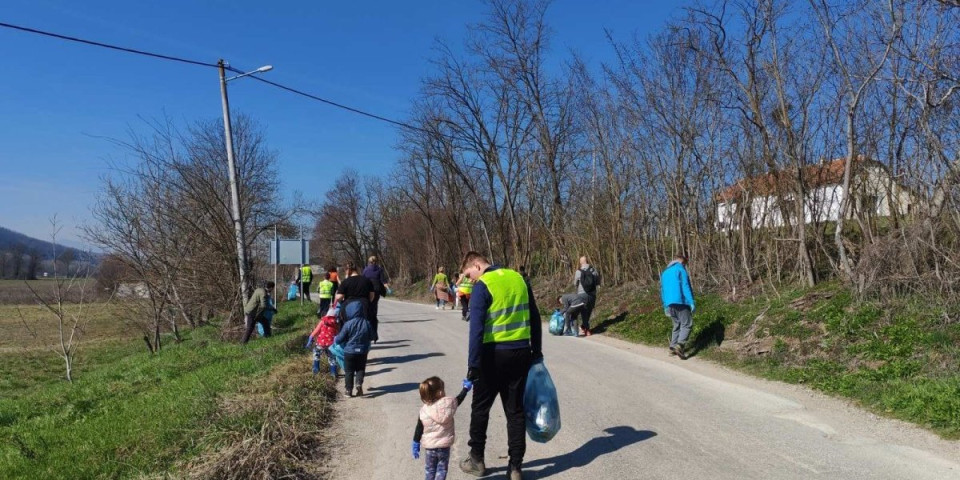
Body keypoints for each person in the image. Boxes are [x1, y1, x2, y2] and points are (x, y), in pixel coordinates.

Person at [458, 251, 543, 480]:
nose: (470, 280)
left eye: (469, 275)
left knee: (480, 408)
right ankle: (515, 468)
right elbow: (534, 317)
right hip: (521, 352)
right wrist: (537, 350)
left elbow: (476, 329)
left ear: (477, 265)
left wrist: (473, 365)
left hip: (492, 354)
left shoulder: (483, 285)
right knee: (515, 412)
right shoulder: (519, 278)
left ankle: (476, 460)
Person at [412, 376, 473, 480]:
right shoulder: (449, 404)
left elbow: (419, 428)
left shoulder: (424, 411)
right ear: (440, 392)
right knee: (442, 470)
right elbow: (459, 399)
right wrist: (465, 388)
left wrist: (415, 442)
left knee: (430, 470)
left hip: (430, 448)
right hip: (444, 447)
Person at [334, 267, 374, 396]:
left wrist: (336, 340)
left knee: (349, 370)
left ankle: (348, 389)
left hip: (349, 350)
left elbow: (339, 297)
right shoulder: (366, 280)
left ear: (348, 272)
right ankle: (359, 384)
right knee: (361, 367)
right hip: (362, 348)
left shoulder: (346, 282)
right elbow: (372, 296)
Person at [661, 254, 695, 360]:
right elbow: (685, 286)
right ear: (683, 262)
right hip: (681, 301)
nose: (685, 266)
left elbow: (662, 290)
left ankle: (672, 347)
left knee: (676, 324)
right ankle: (679, 346)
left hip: (669, 303)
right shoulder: (680, 270)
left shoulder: (665, 273)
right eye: (685, 264)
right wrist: (691, 301)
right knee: (687, 324)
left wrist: (665, 304)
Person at [362, 255, 391, 341]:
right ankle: (374, 334)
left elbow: (362, 280)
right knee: (374, 310)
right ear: (376, 261)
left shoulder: (365, 270)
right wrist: (388, 289)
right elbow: (383, 281)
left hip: (367, 291)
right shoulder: (379, 269)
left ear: (369, 262)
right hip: (376, 291)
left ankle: (367, 331)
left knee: (367, 311)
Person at [306, 304, 339, 377]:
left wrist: (310, 338)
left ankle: (316, 369)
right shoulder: (336, 323)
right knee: (332, 357)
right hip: (331, 344)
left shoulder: (322, 322)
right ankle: (333, 372)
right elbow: (337, 334)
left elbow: (316, 331)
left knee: (316, 353)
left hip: (321, 343)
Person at [573, 256, 601, 336]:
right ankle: (584, 326)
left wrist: (577, 287)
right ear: (587, 261)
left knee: (584, 312)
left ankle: (587, 329)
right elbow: (598, 281)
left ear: (581, 262)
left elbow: (575, 283)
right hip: (592, 294)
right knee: (589, 311)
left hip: (582, 294)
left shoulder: (578, 271)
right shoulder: (593, 270)